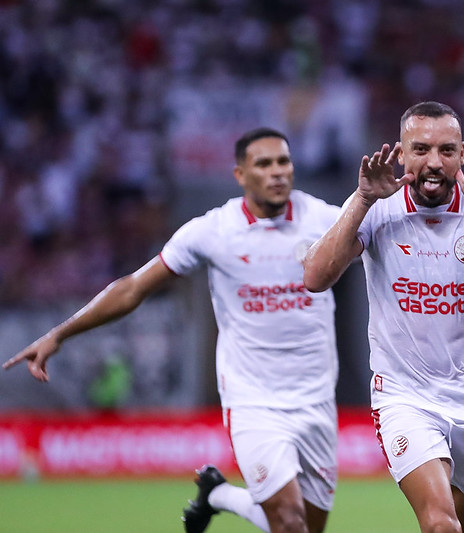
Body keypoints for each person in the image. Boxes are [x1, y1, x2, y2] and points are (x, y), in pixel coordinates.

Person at [3, 128, 342, 533]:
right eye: (263, 164)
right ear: (240, 174)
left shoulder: (325, 219)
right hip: (254, 401)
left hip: (317, 398)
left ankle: (217, 494)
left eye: (283, 162)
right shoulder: (213, 231)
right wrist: (60, 333)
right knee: (289, 522)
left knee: (310, 527)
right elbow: (133, 287)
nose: (277, 172)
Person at [303, 101, 464, 533]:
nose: (434, 163)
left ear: (462, 153)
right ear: (400, 153)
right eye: (420, 149)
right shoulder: (377, 204)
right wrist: (363, 199)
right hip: (405, 397)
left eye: (446, 150)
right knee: (441, 524)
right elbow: (315, 276)